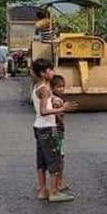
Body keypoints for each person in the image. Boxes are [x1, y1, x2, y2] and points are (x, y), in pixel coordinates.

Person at [31, 58, 77, 202]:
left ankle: (43, 190)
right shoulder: (44, 89)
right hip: (48, 128)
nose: (53, 72)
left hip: (38, 127)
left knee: (42, 161)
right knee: (54, 160)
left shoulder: (37, 86)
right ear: (43, 73)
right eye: (50, 70)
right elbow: (44, 111)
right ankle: (54, 192)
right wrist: (63, 108)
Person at [50, 75, 69, 192]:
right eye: (59, 87)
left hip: (54, 131)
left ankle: (56, 183)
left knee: (57, 157)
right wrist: (61, 122)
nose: (61, 89)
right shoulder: (57, 101)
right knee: (59, 158)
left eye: (63, 86)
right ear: (52, 88)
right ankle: (58, 184)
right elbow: (57, 116)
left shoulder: (51, 98)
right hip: (57, 131)